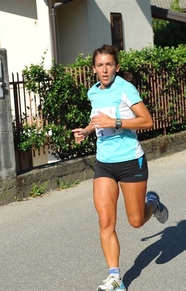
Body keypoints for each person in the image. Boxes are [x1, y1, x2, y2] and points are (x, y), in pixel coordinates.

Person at [72, 44, 169, 291]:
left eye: (109, 65)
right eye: (100, 65)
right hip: (104, 163)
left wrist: (115, 121)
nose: (105, 70)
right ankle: (115, 277)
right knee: (105, 220)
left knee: (136, 221)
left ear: (117, 66)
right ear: (93, 69)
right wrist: (87, 130)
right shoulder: (93, 92)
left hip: (130, 161)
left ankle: (154, 204)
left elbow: (147, 120)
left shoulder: (126, 89)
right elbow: (98, 118)